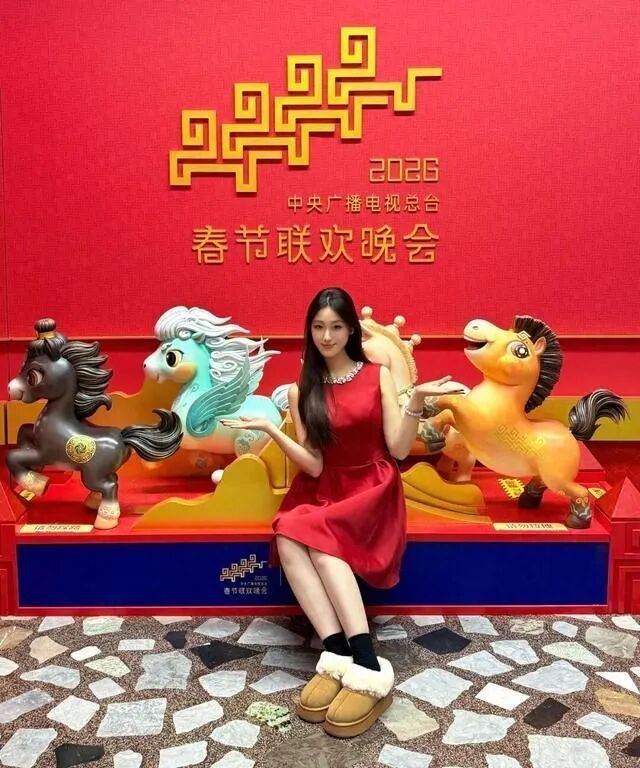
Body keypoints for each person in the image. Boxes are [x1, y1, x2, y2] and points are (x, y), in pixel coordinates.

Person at [220, 287, 463, 738]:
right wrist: (272, 428)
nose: (327, 336)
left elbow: (398, 450)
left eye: (336, 326)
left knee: (322, 544)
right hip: (325, 487)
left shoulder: (376, 375)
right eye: (318, 327)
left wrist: (415, 400)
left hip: (371, 485)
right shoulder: (302, 389)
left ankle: (367, 662)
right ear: (309, 331)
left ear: (351, 329)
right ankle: (336, 653)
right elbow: (313, 464)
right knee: (287, 533)